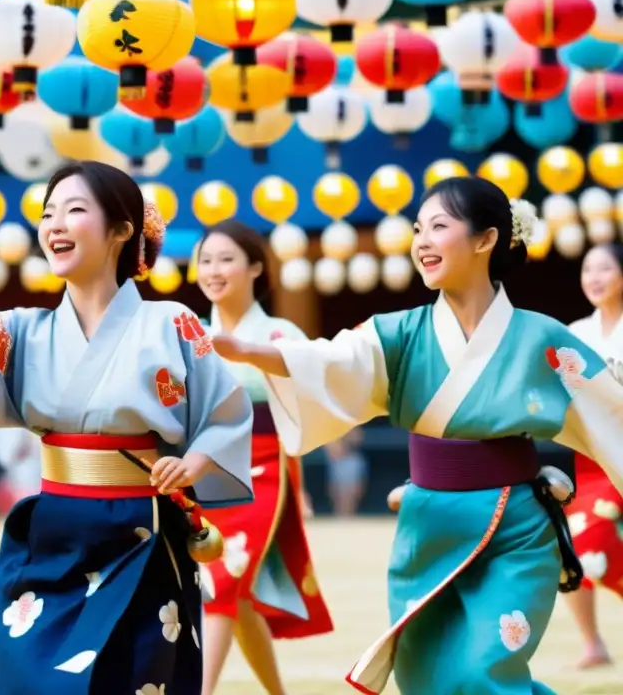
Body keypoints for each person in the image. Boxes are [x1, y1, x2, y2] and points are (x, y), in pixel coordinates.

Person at [211, 176, 623, 695]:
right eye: (417, 229)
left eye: (439, 227)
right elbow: (331, 360)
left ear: (485, 239)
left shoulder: (541, 337)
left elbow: (613, 417)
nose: (421, 241)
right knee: (428, 676)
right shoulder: (400, 332)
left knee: (484, 671)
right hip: (429, 526)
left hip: (517, 527)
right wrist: (247, 352)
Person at [0, 160, 254, 694]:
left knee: (132, 674)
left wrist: (192, 462)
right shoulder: (25, 330)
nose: (54, 224)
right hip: (54, 530)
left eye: (75, 210)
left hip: (139, 532)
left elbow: (224, 412)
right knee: (23, 673)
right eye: (47, 212)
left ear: (122, 230)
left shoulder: (171, 324)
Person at [194, 219, 332, 695]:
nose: (214, 270)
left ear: (256, 267)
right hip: (205, 470)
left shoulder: (280, 334)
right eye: (205, 260)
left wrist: (301, 488)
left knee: (221, 581)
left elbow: (297, 416)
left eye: (226, 258)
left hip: (265, 469)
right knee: (234, 591)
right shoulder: (189, 334)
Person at [563, 243, 623, 669]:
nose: (595, 277)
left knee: (592, 546)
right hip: (595, 459)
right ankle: (591, 643)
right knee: (572, 549)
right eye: (588, 270)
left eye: (605, 268)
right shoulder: (574, 333)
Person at [324, 428, 367, 517]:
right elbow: (330, 448)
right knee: (337, 494)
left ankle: (349, 518)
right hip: (338, 462)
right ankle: (339, 517)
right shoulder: (333, 426)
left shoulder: (353, 425)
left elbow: (358, 439)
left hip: (351, 461)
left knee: (350, 494)